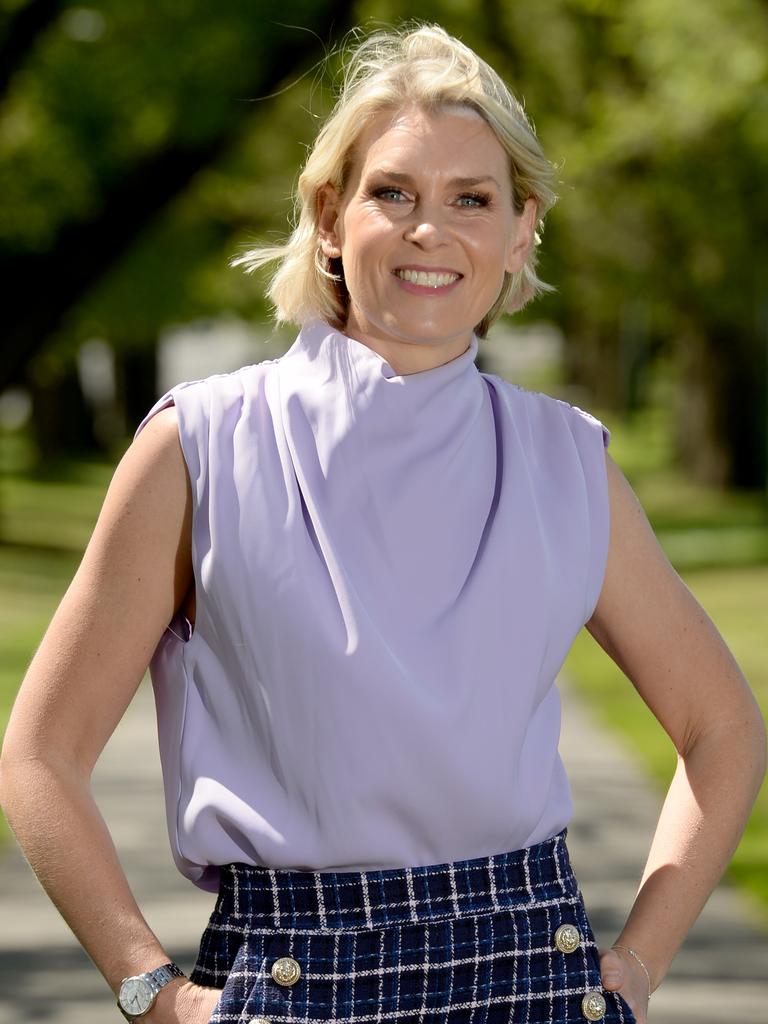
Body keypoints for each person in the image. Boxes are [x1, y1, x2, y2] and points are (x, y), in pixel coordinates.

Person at [0, 21, 764, 1024]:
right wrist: (156, 994)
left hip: (533, 969)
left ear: (521, 230)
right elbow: (40, 754)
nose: (428, 230)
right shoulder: (201, 447)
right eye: (393, 192)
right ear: (329, 215)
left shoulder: (568, 462)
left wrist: (642, 960)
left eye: (471, 200)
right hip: (288, 982)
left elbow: (722, 728)